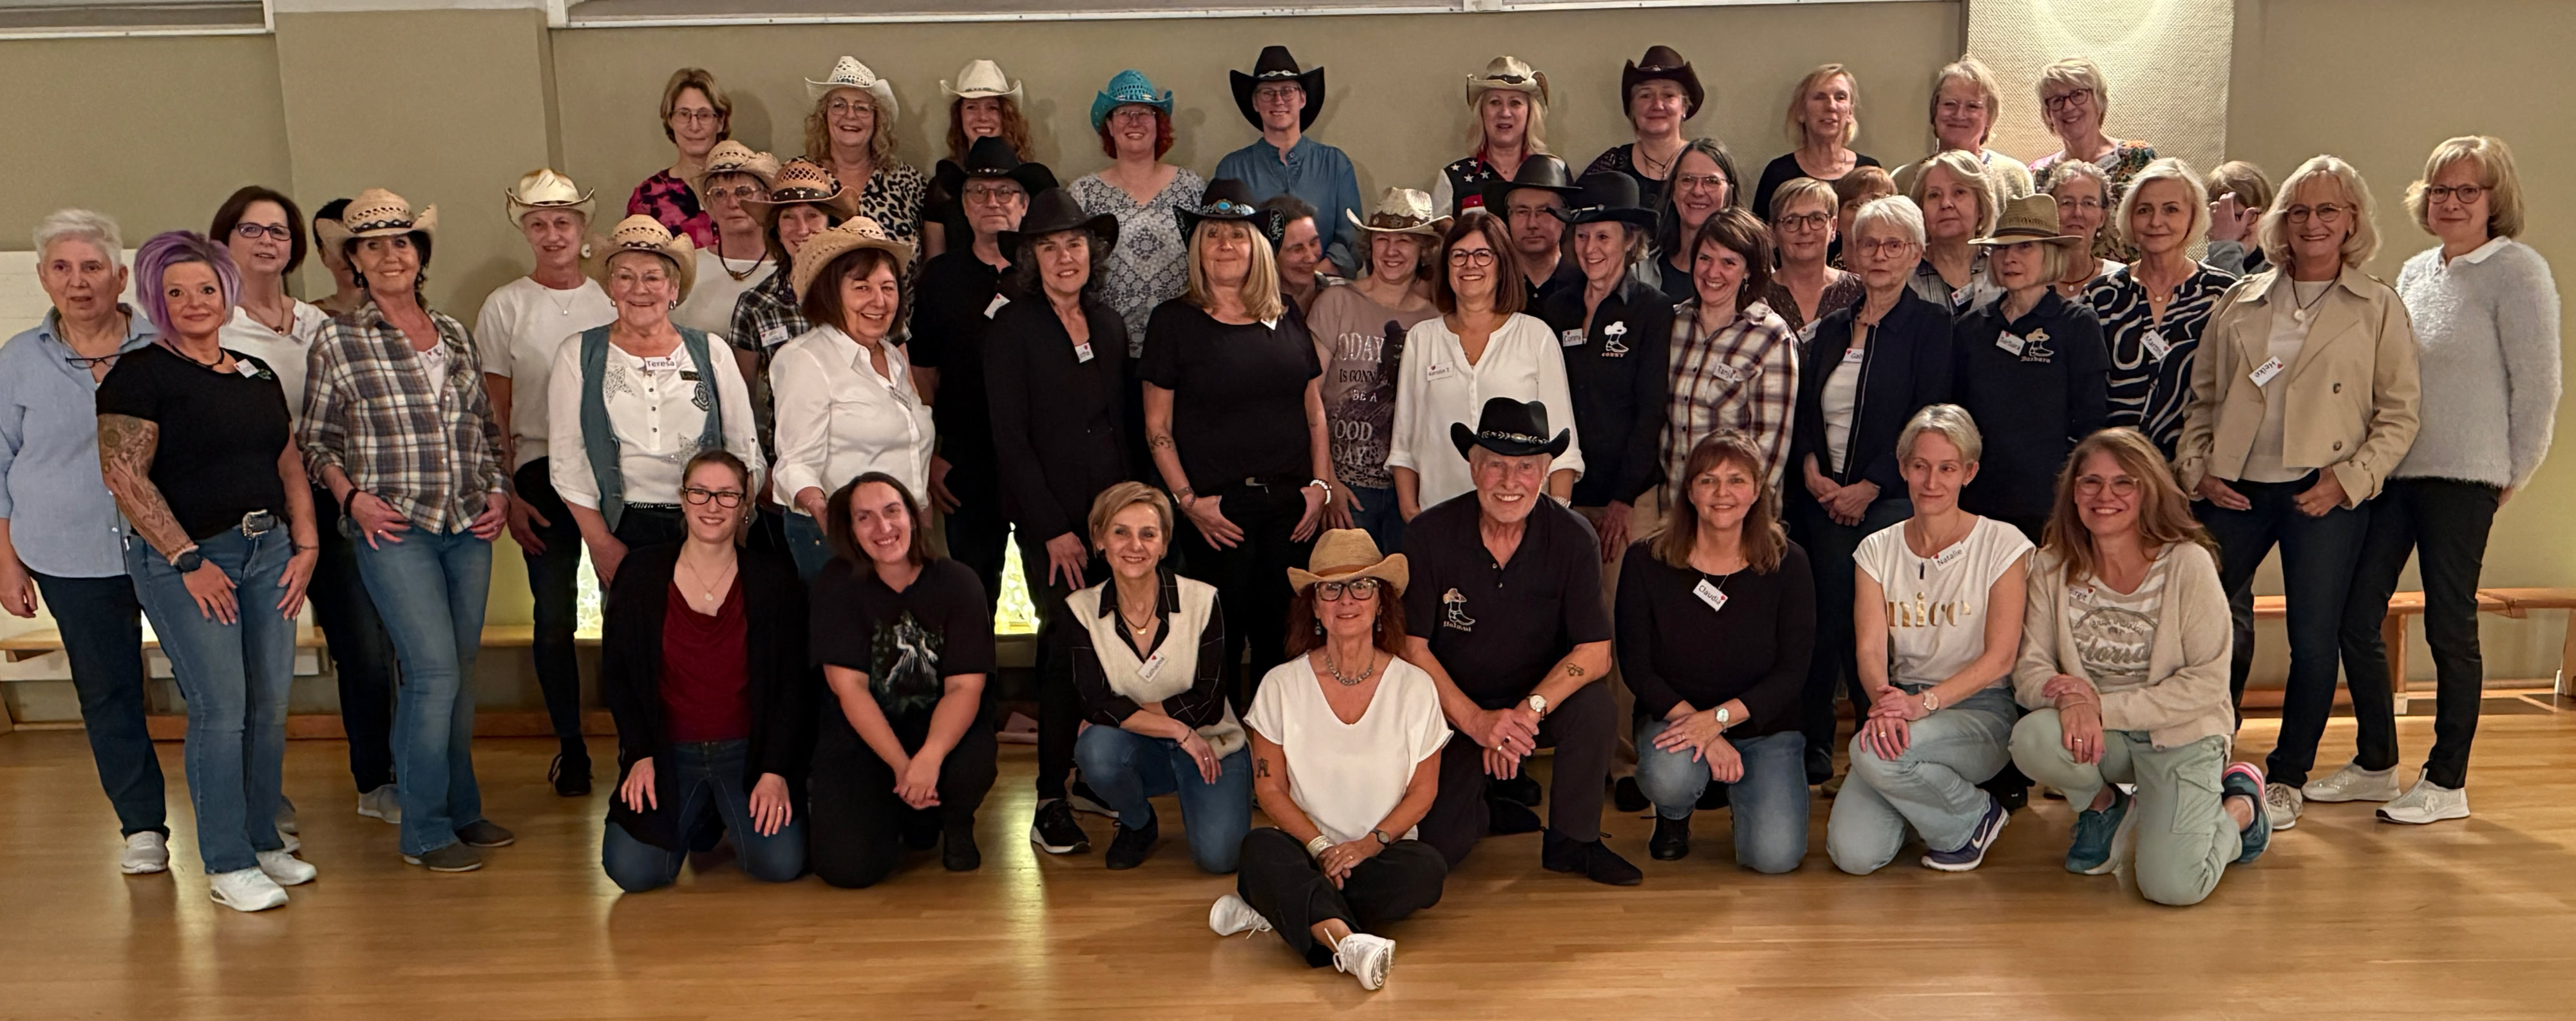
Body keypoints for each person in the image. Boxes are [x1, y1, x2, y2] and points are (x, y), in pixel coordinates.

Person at [2175, 155, 2421, 831]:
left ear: (2352, 220)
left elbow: (2399, 415)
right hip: (2235, 489)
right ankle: (2190, 752)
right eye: (2300, 211)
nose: (2313, 223)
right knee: (2196, 624)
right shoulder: (2242, 298)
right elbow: (2204, 398)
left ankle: (2286, 775)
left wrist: (2348, 480)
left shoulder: (2377, 306)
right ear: (2280, 222)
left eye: (2328, 210)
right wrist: (2198, 468)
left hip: (2323, 492)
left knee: (2314, 640)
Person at [95, 231, 319, 911]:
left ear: (227, 292)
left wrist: (306, 544)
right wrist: (186, 559)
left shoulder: (256, 372)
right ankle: (226, 861)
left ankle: (262, 838)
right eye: (176, 292)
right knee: (221, 709)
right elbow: (124, 475)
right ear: (156, 301)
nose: (194, 302)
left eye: (206, 288)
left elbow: (286, 460)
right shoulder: (140, 373)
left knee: (269, 706)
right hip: (190, 561)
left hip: (268, 552)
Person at [2338, 136, 2559, 826]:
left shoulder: (2518, 271)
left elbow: (2539, 385)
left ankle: (2445, 780)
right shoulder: (2415, 271)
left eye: (2467, 190)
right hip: (2398, 472)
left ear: (2495, 199)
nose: (2451, 202)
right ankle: (2376, 762)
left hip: (2467, 476)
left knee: (2448, 625)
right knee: (2356, 614)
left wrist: (2514, 471)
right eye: (2440, 189)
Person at [299, 189, 515, 872]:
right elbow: (316, 440)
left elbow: (483, 427)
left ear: (419, 253)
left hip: (467, 524)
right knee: (431, 672)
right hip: (395, 528)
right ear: (355, 262)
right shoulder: (339, 338)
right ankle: (423, 829)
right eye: (374, 246)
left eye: (401, 242)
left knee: (462, 673)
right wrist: (352, 498)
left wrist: (499, 491)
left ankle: (462, 807)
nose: (390, 255)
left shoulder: (452, 332)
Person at [2010, 428, 2269, 904]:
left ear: (2148, 490)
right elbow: (2030, 667)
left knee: (2173, 887)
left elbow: (2208, 684)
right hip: (2102, 735)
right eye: (2090, 482)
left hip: (2181, 735)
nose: (2104, 496)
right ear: (2073, 492)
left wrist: (2097, 706)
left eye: (2123, 483)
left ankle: (2240, 807)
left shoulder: (2188, 563)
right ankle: (2105, 809)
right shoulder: (2050, 566)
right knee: (2032, 738)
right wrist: (2070, 699)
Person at [213, 186, 399, 823]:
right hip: (252, 508)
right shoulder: (214, 324)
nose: (267, 241)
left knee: (365, 647)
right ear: (224, 240)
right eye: (252, 229)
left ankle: (377, 780)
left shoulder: (318, 324)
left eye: (279, 231)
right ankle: (260, 797)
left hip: (329, 498)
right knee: (260, 662)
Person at [1400, 398, 1636, 884]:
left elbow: (1595, 653)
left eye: (1526, 467)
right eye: (1496, 465)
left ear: (1546, 472)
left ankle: (1574, 841)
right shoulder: (1428, 535)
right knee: (1439, 847)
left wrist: (1525, 715)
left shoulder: (1575, 538)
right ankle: (1485, 807)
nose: (1511, 481)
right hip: (1452, 711)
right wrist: (1478, 722)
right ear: (1473, 467)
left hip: (1535, 707)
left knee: (1595, 708)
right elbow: (1411, 648)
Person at [1215, 530, 1447, 991]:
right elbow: (1269, 788)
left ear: (1380, 602)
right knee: (1260, 849)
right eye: (1331, 588)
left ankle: (1280, 909)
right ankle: (1348, 943)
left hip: (1382, 853)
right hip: (1303, 849)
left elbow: (1424, 790)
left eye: (1362, 586)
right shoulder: (1280, 685)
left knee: (1428, 871)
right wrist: (1321, 848)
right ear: (1315, 607)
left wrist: (1368, 845)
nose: (1347, 600)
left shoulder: (1416, 686)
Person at [3, 211, 160, 874]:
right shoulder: (16, 361)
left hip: (168, 550)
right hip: (67, 556)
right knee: (107, 692)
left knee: (218, 687)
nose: (78, 281)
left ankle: (245, 814)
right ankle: (142, 826)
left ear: (119, 277)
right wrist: (7, 563)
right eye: (62, 268)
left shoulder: (163, 346)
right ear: (44, 278)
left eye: (92, 267)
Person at [985, 186, 1137, 857]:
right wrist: (1051, 528)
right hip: (1053, 524)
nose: (1064, 257)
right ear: (1031, 259)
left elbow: (1119, 425)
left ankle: (1092, 775)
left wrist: (1132, 516)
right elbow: (1010, 440)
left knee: (1114, 646)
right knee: (1061, 650)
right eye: (1049, 247)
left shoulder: (1108, 324)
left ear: (1091, 252)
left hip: (1115, 521)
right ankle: (1049, 793)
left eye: (1074, 243)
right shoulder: (1011, 329)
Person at [1141, 180, 1332, 704]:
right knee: (1216, 642)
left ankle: (1277, 748)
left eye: (1238, 234)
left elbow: (1314, 411)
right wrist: (1187, 501)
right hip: (1216, 512)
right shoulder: (1173, 321)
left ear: (1258, 246)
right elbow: (1157, 427)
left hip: (1291, 508)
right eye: (1213, 234)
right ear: (1197, 247)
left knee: (1285, 640)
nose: (1225, 244)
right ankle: (1217, 750)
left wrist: (1320, 487)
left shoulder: (1286, 314)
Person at [1788, 195, 1953, 785]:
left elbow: (1928, 416)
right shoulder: (1833, 327)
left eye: (1893, 245)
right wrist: (1810, 464)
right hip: (1821, 495)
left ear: (1916, 254)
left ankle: (1875, 739)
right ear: (1852, 253)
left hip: (1890, 499)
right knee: (1816, 618)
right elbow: (1806, 408)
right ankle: (1812, 740)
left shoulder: (1932, 326)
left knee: (1870, 625)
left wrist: (1871, 483)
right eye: (1868, 244)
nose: (1879, 255)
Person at [1826, 405, 2032, 875]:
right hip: (1901, 705)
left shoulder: (2003, 544)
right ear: (1903, 468)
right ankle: (1944, 810)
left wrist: (1923, 706)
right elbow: (1869, 649)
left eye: (1947, 468)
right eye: (1920, 466)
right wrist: (1886, 703)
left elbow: (2001, 657)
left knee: (1868, 752)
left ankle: (1971, 817)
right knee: (1854, 855)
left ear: (1969, 472)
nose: (1931, 481)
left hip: (1981, 710)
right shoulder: (1876, 549)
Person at [598, 451, 811, 892]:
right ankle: (704, 815)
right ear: (683, 499)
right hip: (668, 753)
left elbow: (793, 686)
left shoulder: (774, 579)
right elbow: (618, 675)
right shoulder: (640, 574)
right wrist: (639, 753)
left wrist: (775, 770)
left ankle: (718, 809)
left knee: (781, 863)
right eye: (700, 492)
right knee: (633, 871)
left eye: (727, 495)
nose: (712, 505)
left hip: (746, 753)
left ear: (744, 505)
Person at [479, 169, 618, 796]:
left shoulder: (610, 298)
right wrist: (507, 489)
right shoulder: (505, 306)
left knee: (624, 609)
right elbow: (496, 407)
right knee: (555, 613)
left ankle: (637, 742)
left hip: (610, 470)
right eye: (539, 223)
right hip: (537, 468)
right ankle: (571, 746)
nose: (552, 233)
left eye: (563, 221)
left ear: (583, 229)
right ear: (526, 232)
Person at [1621, 432, 1815, 869]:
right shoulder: (1646, 559)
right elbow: (1637, 668)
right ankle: (1674, 815)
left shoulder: (1790, 563)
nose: (1722, 493)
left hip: (1765, 727)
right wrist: (1705, 733)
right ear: (1689, 491)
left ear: (1757, 491)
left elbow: (1792, 672)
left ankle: (1741, 795)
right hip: (1676, 719)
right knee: (1669, 777)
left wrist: (1719, 721)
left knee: (1775, 859)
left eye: (1736, 480)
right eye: (1708, 480)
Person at [806, 472, 998, 886]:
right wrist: (901, 766)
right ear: (851, 530)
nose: (883, 527)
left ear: (913, 516)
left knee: (968, 765)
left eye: (892, 511)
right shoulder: (837, 585)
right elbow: (849, 689)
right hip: (866, 733)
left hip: (939, 728)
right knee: (847, 870)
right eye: (865, 517)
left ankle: (953, 820)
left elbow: (965, 687)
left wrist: (928, 759)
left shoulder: (958, 582)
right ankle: (902, 810)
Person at [548, 215, 764, 584]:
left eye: (652, 277)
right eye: (625, 277)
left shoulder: (712, 351)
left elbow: (744, 447)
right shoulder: (578, 353)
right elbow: (567, 459)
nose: (639, 289)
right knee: (633, 621)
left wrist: (735, 524)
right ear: (610, 287)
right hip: (622, 526)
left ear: (673, 288)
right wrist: (600, 542)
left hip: (707, 523)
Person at [1068, 484, 1251, 872]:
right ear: (1099, 539)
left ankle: (1202, 794)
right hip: (1144, 746)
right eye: (1120, 532)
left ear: (1164, 543)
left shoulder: (1203, 600)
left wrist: (1119, 714)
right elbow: (1093, 701)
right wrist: (1176, 731)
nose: (1135, 545)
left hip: (1211, 741)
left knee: (1220, 860)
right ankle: (1138, 822)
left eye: (1148, 534)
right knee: (1095, 749)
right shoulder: (1080, 610)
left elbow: (1208, 701)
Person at [912, 136, 1054, 609]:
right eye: (978, 192)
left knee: (1054, 592)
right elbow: (922, 373)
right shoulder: (940, 277)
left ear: (1025, 204)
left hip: (1040, 460)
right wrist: (931, 454)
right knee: (971, 595)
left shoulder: (1049, 275)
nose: (991, 201)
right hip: (966, 462)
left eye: (1005, 192)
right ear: (964, 205)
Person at [770, 216, 933, 580]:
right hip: (837, 537)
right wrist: (830, 520)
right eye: (862, 287)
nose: (879, 301)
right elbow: (795, 463)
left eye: (888, 287)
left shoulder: (891, 356)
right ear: (831, 293)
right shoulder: (806, 359)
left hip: (900, 535)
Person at [1388, 211, 1582, 515]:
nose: (1470, 265)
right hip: (1439, 516)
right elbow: (1404, 442)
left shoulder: (1536, 336)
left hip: (1521, 518)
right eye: (1459, 255)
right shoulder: (1422, 339)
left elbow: (1563, 445)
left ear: (1503, 265)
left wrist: (1555, 519)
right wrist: (1411, 512)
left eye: (1483, 255)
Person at [1951, 194, 2110, 540]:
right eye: (2002, 248)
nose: (2010, 258)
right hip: (1978, 499)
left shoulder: (2076, 324)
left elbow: (2092, 420)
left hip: (2049, 503)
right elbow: (1957, 416)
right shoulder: (1971, 328)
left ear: (2050, 253)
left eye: (2025, 247)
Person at [1542, 173, 1671, 567]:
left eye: (1603, 237)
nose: (1590, 249)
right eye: (1582, 236)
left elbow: (1652, 410)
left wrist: (1623, 498)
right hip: (1564, 491)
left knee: (1621, 599)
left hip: (1629, 499)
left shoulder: (1653, 310)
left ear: (1630, 240)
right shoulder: (1556, 309)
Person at [1309, 187, 1445, 555]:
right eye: (1382, 239)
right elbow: (1310, 396)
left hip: (1411, 488)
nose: (1392, 250)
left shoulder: (1434, 319)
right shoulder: (1336, 302)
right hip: (1347, 485)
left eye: (1405, 240)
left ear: (1424, 249)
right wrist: (1327, 480)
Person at [2092, 158, 2237, 456]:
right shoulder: (2100, 295)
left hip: (2194, 464)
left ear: (2193, 216)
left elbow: (2234, 391)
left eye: (2171, 210)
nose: (2156, 221)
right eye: (2144, 210)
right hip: (2115, 465)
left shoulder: (2223, 293)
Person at [730, 157, 856, 473]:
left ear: (830, 223)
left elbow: (901, 378)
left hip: (863, 455)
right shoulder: (756, 304)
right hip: (791, 461)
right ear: (776, 228)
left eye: (812, 215)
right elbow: (740, 401)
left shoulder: (865, 292)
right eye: (789, 217)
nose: (802, 229)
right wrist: (757, 469)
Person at [1665, 209, 1798, 494]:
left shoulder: (1770, 337)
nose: (1713, 272)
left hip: (1733, 508)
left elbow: (1770, 448)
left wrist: (1729, 505)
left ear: (1749, 270)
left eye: (1729, 262)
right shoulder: (1673, 323)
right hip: (1670, 506)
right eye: (1705, 259)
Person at [1074, 70, 1206, 357]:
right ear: (1109, 126)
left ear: (1159, 124)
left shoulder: (1191, 187)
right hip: (1108, 344)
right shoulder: (1084, 192)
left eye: (1145, 113)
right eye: (1123, 113)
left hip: (1183, 342)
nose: (1134, 121)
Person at [1216, 46, 1361, 275]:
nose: (1278, 100)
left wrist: (1312, 279)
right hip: (1253, 290)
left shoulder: (1335, 164)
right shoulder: (1232, 168)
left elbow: (1352, 242)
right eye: (1267, 93)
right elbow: (1226, 241)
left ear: (1302, 98)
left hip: (1326, 288)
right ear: (1255, 103)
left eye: (1287, 91)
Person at [803, 56, 928, 249]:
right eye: (839, 105)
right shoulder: (800, 176)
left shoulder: (910, 183)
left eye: (861, 108)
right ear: (824, 115)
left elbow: (932, 258)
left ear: (877, 119)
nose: (850, 115)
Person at [923, 59, 1031, 259]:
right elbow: (934, 262)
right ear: (959, 116)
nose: (982, 117)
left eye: (992, 108)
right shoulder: (940, 188)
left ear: (1006, 116)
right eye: (972, 107)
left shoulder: (1029, 181)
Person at [671, 141, 778, 340]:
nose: (732, 203)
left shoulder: (789, 266)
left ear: (766, 199)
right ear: (709, 205)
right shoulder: (687, 267)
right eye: (719, 194)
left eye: (743, 192)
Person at [1892, 57, 2035, 202]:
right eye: (1950, 104)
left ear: (1990, 117)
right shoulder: (1903, 179)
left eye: (1973, 106)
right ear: (1935, 111)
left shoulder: (2015, 177)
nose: (1959, 115)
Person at [1750, 64, 1880, 219]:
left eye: (1840, 97)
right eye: (1820, 97)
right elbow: (1760, 233)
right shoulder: (1778, 173)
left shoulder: (1869, 171)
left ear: (1850, 112)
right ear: (1801, 112)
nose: (1831, 106)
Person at [2028, 57, 2157, 204]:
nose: (2068, 107)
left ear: (2098, 100)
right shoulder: (2039, 175)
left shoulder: (2136, 157)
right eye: (2057, 100)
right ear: (2048, 114)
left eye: (2078, 94)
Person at [1435, 56, 1551, 218]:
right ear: (1481, 113)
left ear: (1530, 113)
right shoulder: (1453, 178)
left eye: (1515, 103)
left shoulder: (1552, 172)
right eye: (1495, 102)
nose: (1505, 113)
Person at [628, 68, 730, 247]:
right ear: (670, 120)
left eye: (704, 115)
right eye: (684, 114)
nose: (694, 126)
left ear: (720, 122)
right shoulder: (648, 197)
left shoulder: (744, 191)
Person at [1586, 45, 1702, 204]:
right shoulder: (1612, 165)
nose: (1657, 105)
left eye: (1668, 95)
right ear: (1633, 109)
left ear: (1684, 107)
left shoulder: (1706, 164)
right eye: (1646, 96)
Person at [1640, 138, 1742, 305]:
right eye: (1687, 179)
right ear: (1673, 190)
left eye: (1711, 181)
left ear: (1729, 193)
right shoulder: (1641, 266)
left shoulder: (1752, 267)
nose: (1698, 191)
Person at [1763, 177, 1866, 336]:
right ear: (1772, 233)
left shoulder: (1861, 292)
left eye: (1817, 219)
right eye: (1791, 221)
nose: (1805, 230)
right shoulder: (1755, 295)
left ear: (1833, 227)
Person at [1479, 155, 1584, 309]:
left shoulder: (1585, 285)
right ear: (1508, 218)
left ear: (1564, 219)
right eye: (1522, 212)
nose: (1532, 224)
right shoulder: (1491, 284)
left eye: (1544, 211)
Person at [1908, 149, 2002, 314]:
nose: (1946, 204)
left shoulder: (2003, 265)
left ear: (1981, 205)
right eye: (1934, 195)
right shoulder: (1905, 271)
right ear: (1921, 210)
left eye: (1959, 192)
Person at [2047, 160, 2124, 295]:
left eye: (2088, 203)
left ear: (2102, 218)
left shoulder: (2121, 280)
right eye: (2067, 203)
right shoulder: (2028, 279)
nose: (2077, 213)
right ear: (2050, 212)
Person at [2204, 160, 2275, 276]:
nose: (2236, 227)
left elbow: (2239, 289)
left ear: (2267, 214)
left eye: (2250, 216)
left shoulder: (2279, 271)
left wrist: (2225, 248)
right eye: (2227, 218)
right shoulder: (2198, 274)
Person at [1261, 193, 1328, 315]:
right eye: (1298, 249)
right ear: (1269, 255)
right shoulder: (1250, 308)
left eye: (1313, 244)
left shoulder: (1340, 296)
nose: (1311, 258)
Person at [1828, 167, 1898, 269]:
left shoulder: (1908, 273)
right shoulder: (1821, 277)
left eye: (1874, 203)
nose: (1863, 212)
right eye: (1854, 206)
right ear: (1836, 221)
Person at [308, 198, 367, 318]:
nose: (348, 256)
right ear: (322, 254)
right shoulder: (309, 316)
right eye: (335, 245)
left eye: (353, 245)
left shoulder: (399, 310)